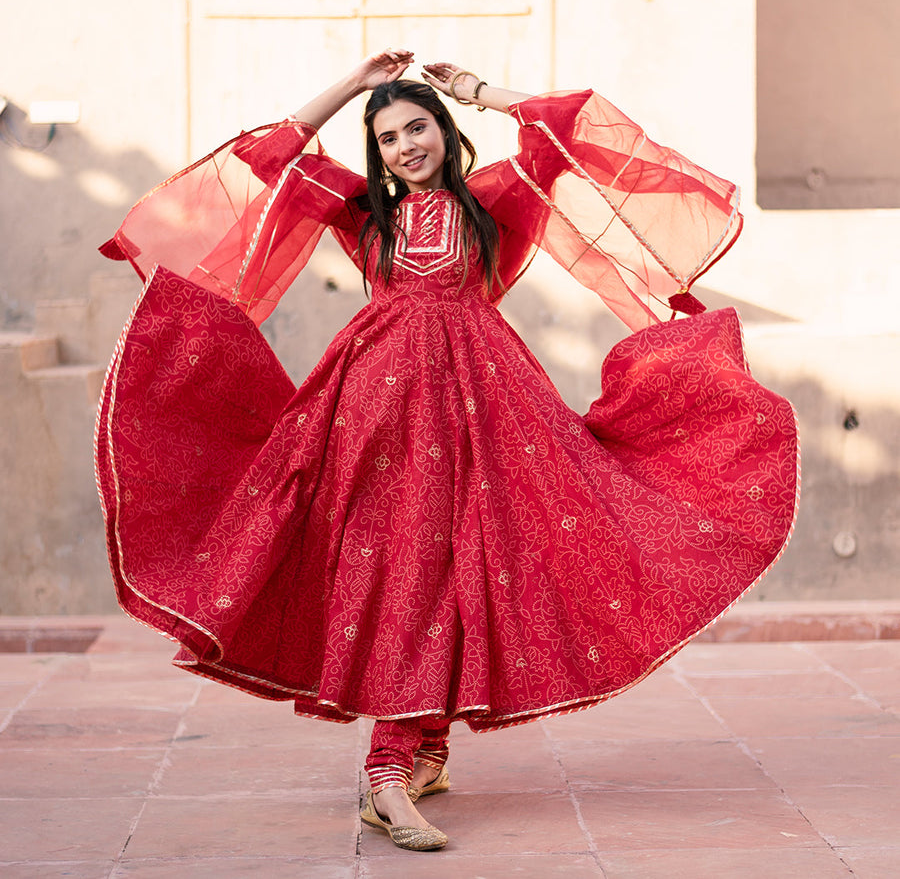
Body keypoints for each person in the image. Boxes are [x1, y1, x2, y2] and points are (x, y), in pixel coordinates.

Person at [96, 49, 799, 851]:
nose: (405, 146)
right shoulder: (363, 213)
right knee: (404, 563)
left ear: (444, 131)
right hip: (376, 411)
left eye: (418, 126)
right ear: (378, 153)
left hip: (485, 404)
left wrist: (472, 89)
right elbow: (270, 157)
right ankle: (389, 772)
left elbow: (559, 131)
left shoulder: (493, 202)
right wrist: (353, 88)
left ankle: (422, 751)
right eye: (388, 136)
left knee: (475, 563)